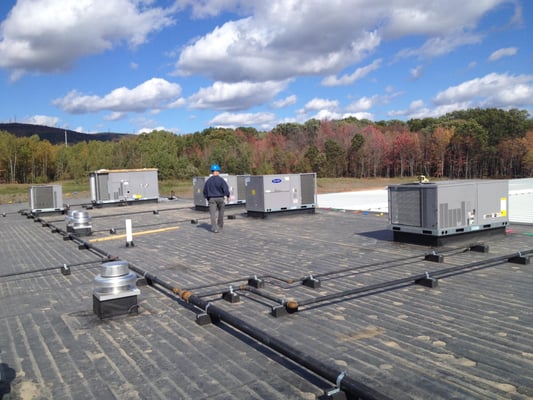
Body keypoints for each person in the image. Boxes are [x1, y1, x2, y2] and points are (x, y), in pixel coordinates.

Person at [202, 164, 230, 233]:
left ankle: (214, 228)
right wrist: (228, 196)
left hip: (212, 199)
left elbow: (204, 191)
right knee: (221, 212)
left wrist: (208, 198)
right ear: (218, 171)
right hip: (220, 198)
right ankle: (220, 226)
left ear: (212, 172)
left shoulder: (208, 181)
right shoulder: (221, 180)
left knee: (213, 214)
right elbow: (226, 189)